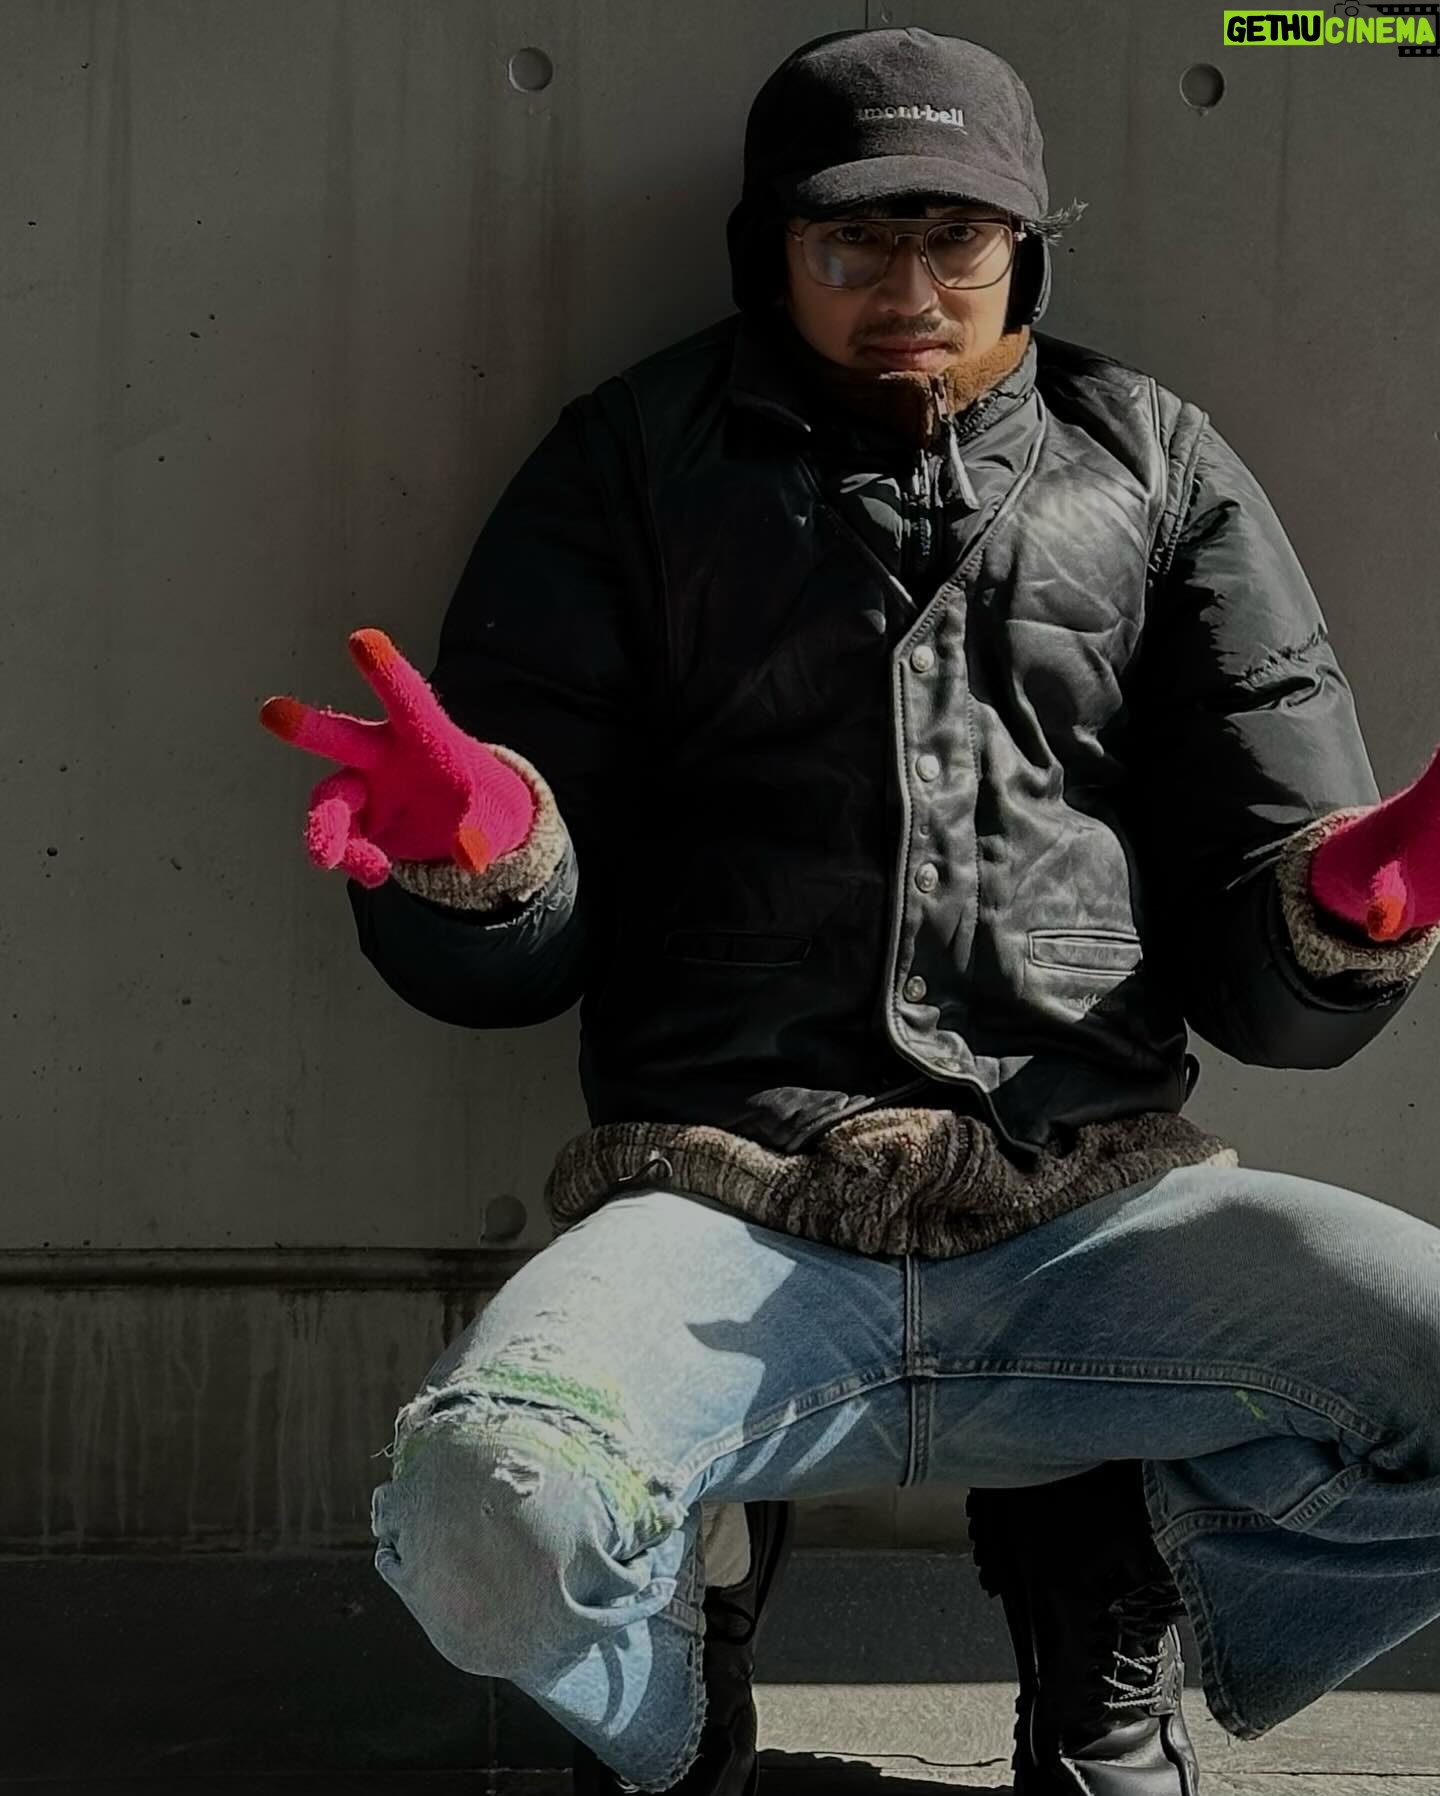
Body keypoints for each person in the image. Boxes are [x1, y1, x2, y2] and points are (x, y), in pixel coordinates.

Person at [259, 26, 1440, 1796]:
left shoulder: (1156, 463)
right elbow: (507, 965)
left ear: (1025, 250)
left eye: (956, 240)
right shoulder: (632, 461)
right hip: (725, 1205)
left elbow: (1267, 978)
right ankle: (675, 1669)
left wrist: (1346, 913)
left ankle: (1122, 1565)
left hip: (1095, 1211)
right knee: (483, 1498)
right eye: (852, 243)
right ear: (774, 252)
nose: (907, 292)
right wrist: (486, 864)